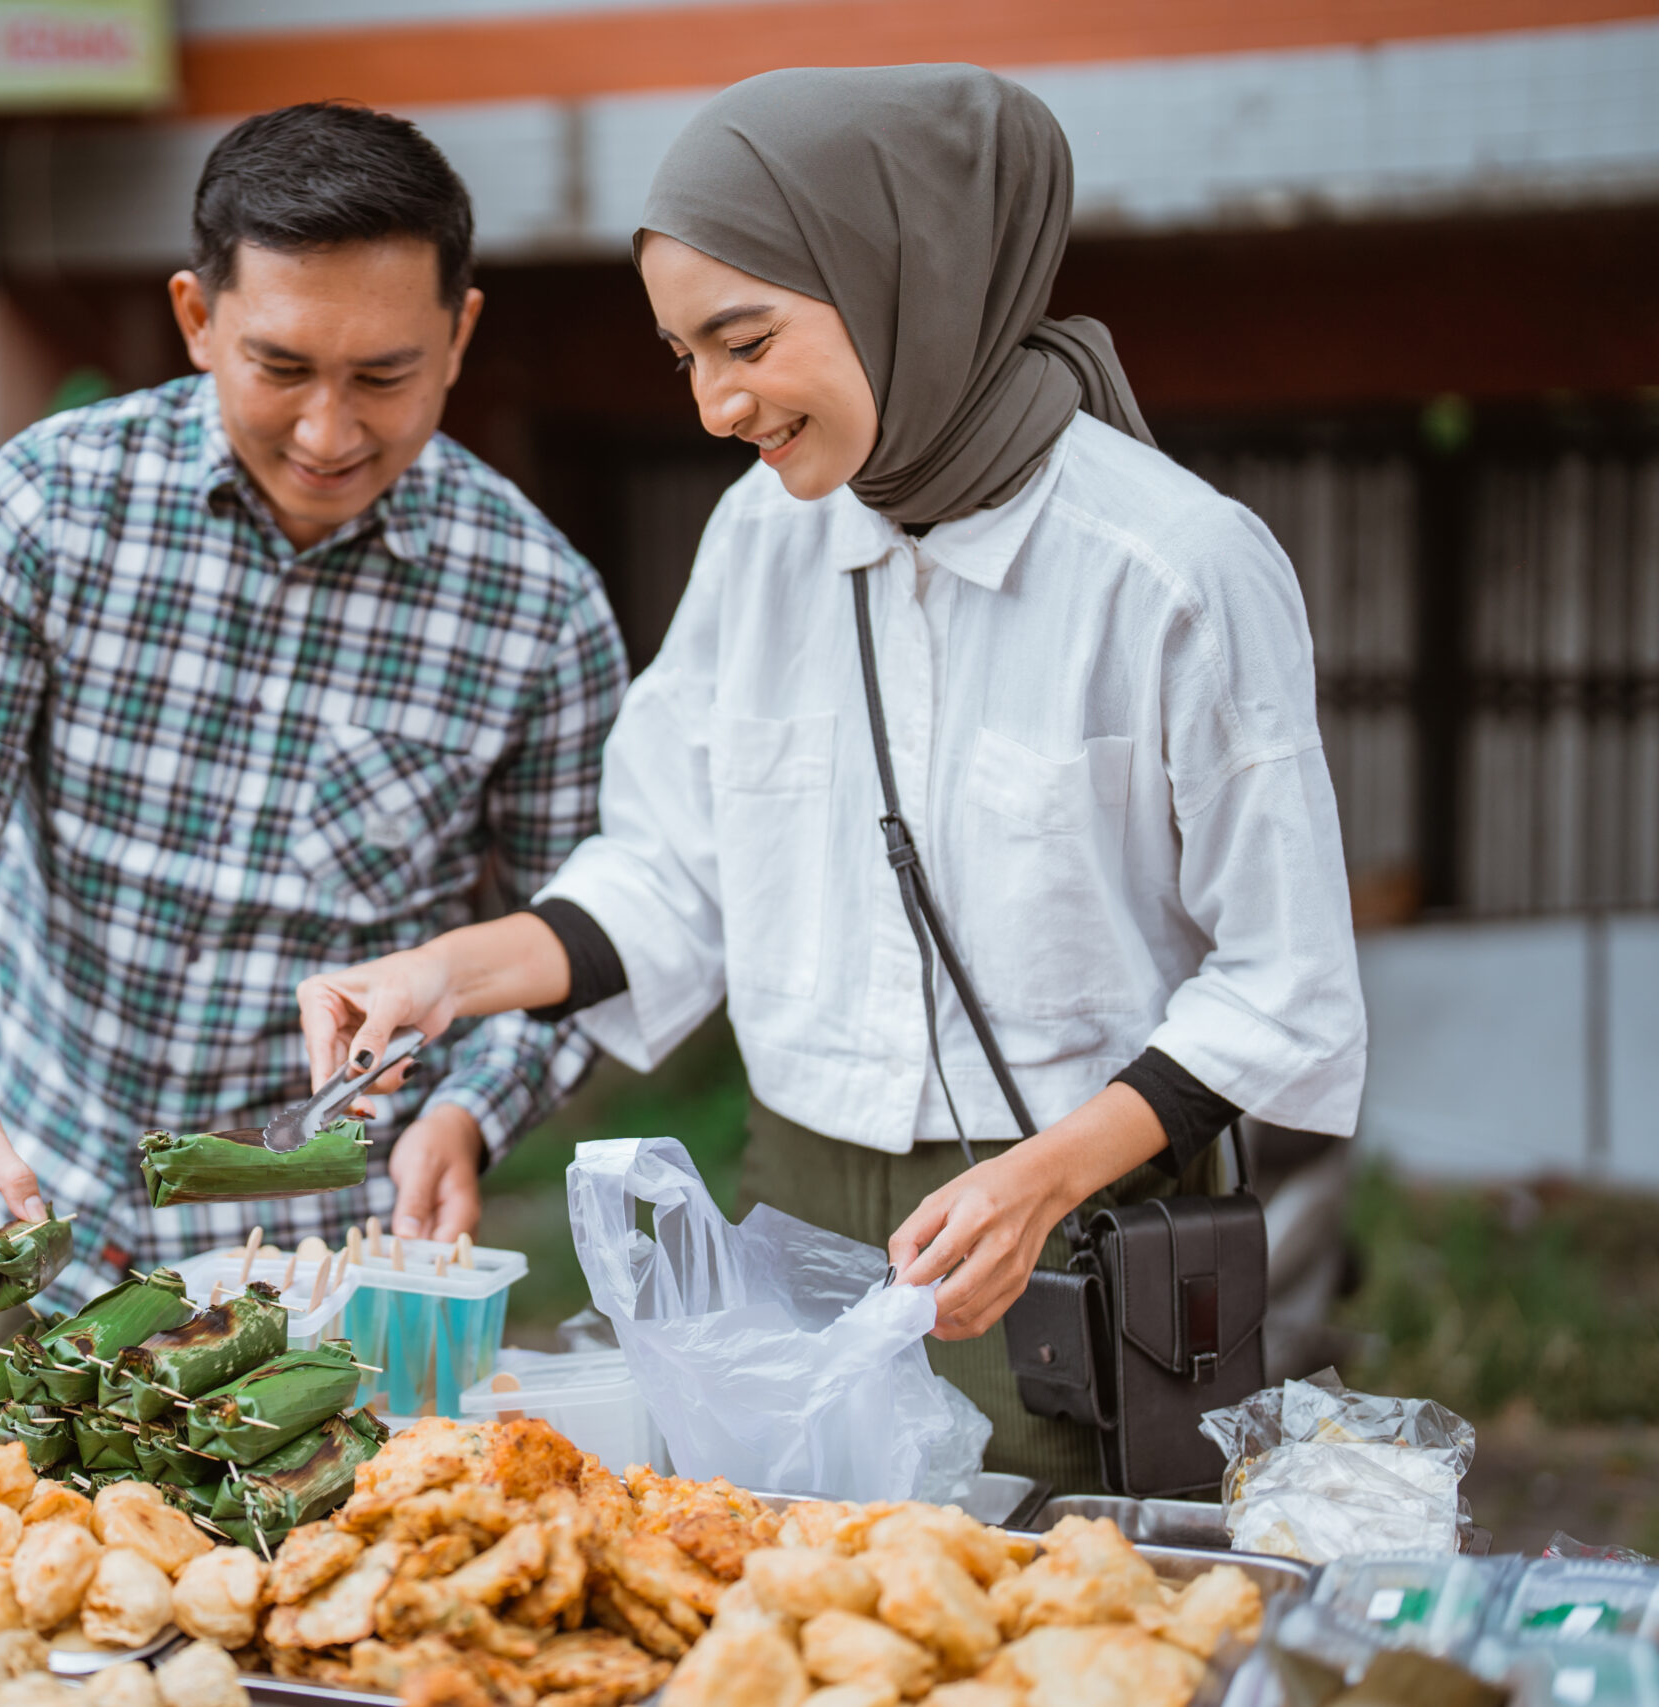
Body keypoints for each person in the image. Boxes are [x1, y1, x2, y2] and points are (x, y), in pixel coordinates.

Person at [295, 65, 1367, 1488]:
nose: (717, 404)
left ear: (898, 275)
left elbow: (1282, 979)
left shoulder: (1173, 568)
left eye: (744, 340)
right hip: (789, 1215)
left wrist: (1046, 1174)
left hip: (1063, 1234)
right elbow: (673, 868)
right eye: (685, 356)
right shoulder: (765, 540)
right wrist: (447, 973)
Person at [0, 101, 629, 1320]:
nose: (328, 431)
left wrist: (472, 1111)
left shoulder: (537, 603)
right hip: (41, 1213)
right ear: (198, 320)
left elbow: (578, 934)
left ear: (460, 335)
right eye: (282, 368)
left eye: (384, 376)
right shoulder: (43, 509)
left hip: (336, 1275)